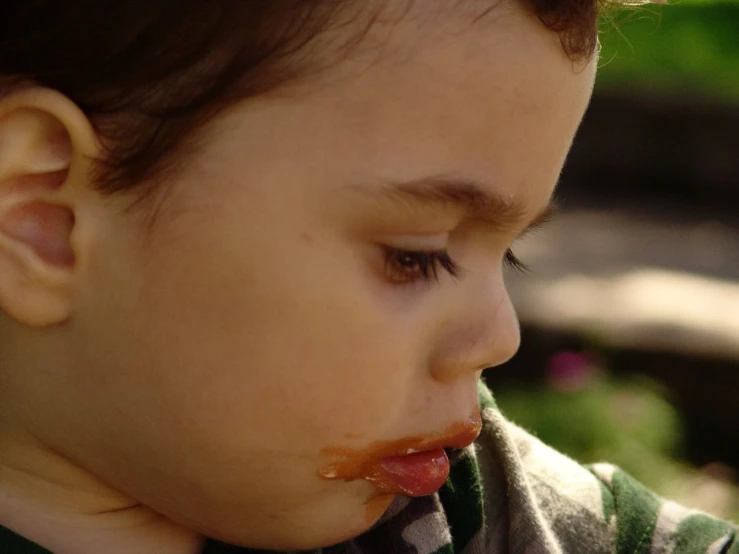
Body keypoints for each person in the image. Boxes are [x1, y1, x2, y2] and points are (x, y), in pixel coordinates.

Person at [0, 1, 734, 553]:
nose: (498, 337)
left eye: (504, 254)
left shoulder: (467, 505)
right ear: (43, 218)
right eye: (417, 253)